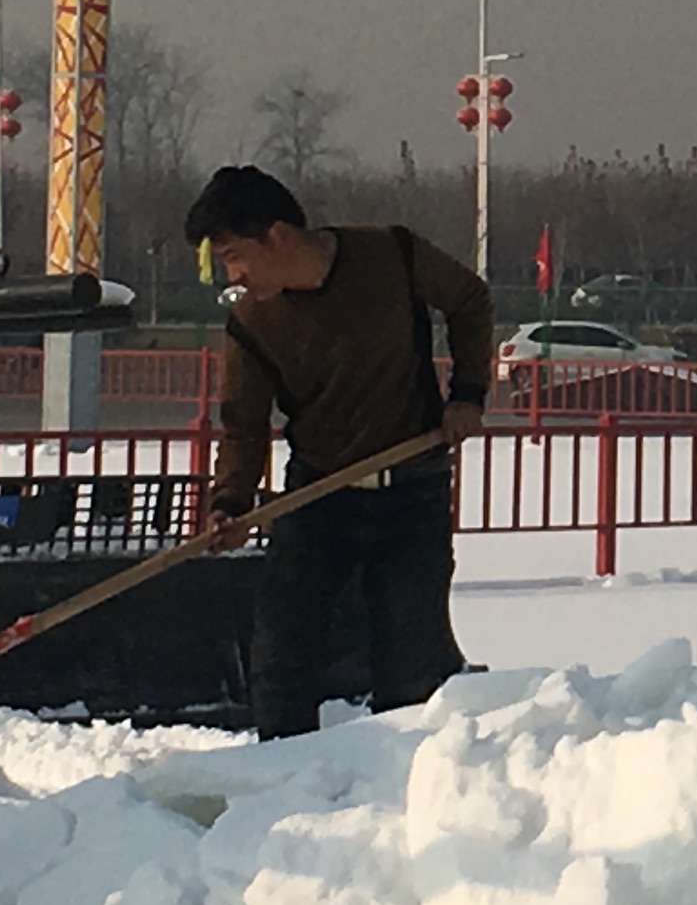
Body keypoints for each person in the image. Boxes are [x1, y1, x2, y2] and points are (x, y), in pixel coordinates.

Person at [183, 164, 493, 737]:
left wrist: (467, 394)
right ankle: (280, 773)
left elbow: (470, 300)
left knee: (411, 664)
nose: (233, 275)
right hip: (316, 497)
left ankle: (407, 774)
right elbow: (244, 427)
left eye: (234, 256)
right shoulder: (252, 322)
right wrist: (230, 503)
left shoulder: (393, 255)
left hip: (413, 491)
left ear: (277, 235)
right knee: (281, 660)